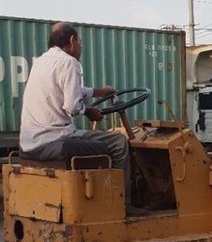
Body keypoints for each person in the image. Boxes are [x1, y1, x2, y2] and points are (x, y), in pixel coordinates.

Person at [19, 22, 137, 213]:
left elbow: (65, 91)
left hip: (30, 142)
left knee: (105, 141)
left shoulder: (41, 61)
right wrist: (88, 111)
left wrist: (99, 92)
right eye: (80, 42)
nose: (80, 47)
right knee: (119, 142)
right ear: (72, 41)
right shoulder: (69, 62)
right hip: (54, 138)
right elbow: (72, 107)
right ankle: (123, 205)